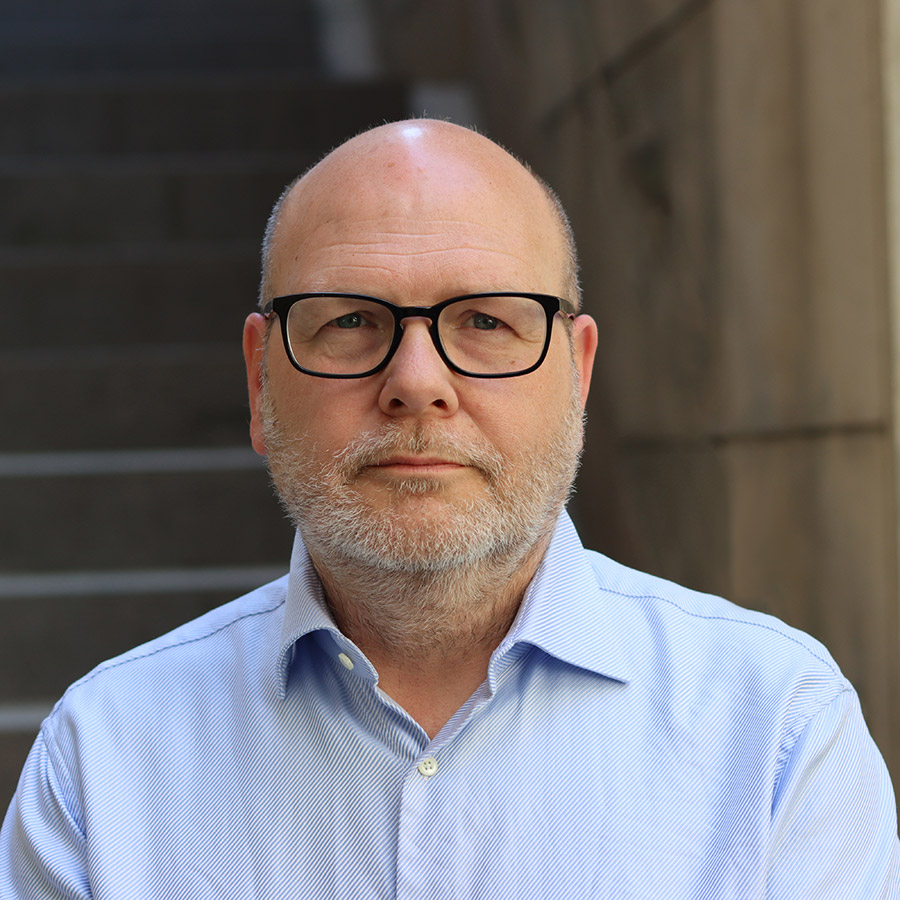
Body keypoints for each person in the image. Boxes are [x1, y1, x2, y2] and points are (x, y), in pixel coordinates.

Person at [1, 119, 897, 898]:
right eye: (350, 321)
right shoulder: (101, 764)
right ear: (260, 380)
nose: (417, 382)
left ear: (578, 373)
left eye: (487, 322)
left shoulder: (778, 735)